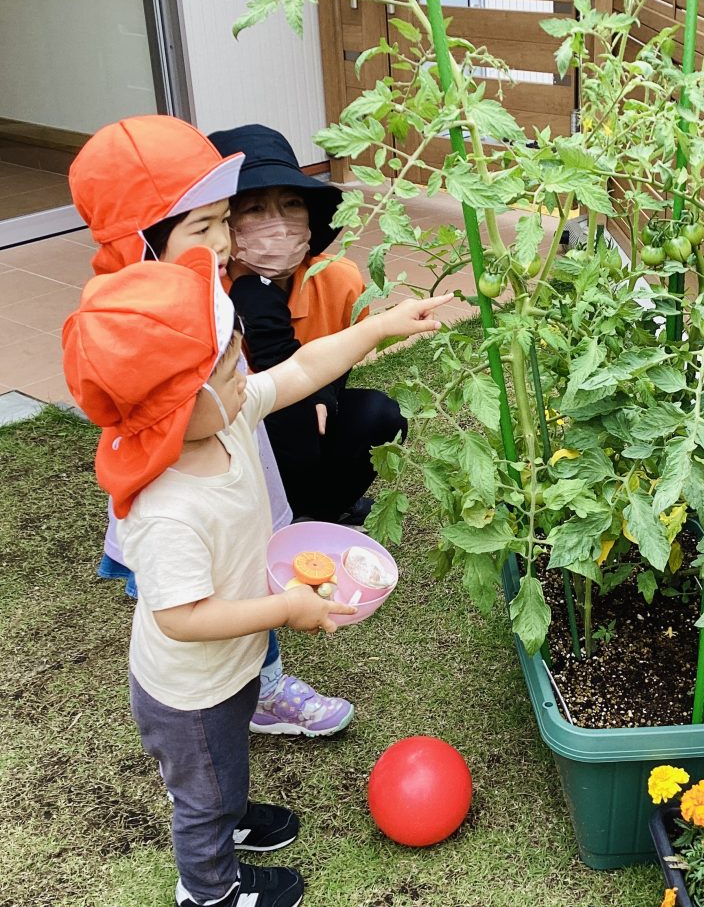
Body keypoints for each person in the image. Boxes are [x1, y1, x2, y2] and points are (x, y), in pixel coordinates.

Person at [62, 244, 451, 907]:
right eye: (228, 364)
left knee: (224, 764)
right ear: (172, 407)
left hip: (228, 672)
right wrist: (285, 608)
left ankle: (230, 811)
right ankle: (210, 888)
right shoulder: (167, 508)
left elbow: (302, 368)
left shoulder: (226, 418)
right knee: (201, 791)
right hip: (189, 694)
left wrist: (377, 329)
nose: (246, 368)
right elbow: (180, 617)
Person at [68, 115, 352, 736]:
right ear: (139, 242)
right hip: (193, 462)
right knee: (202, 579)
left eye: (225, 219)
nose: (223, 241)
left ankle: (256, 674)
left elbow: (278, 372)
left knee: (243, 556)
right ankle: (247, 685)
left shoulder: (207, 280)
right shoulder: (134, 316)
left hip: (228, 436)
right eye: (204, 225)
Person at [207, 124, 406, 525]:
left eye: (291, 203)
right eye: (254, 208)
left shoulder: (339, 280)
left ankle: (318, 515)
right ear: (224, 223)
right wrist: (253, 296)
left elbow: (336, 371)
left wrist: (326, 394)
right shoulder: (207, 295)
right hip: (229, 436)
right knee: (288, 412)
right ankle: (263, 522)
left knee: (377, 415)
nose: (278, 224)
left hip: (303, 424)